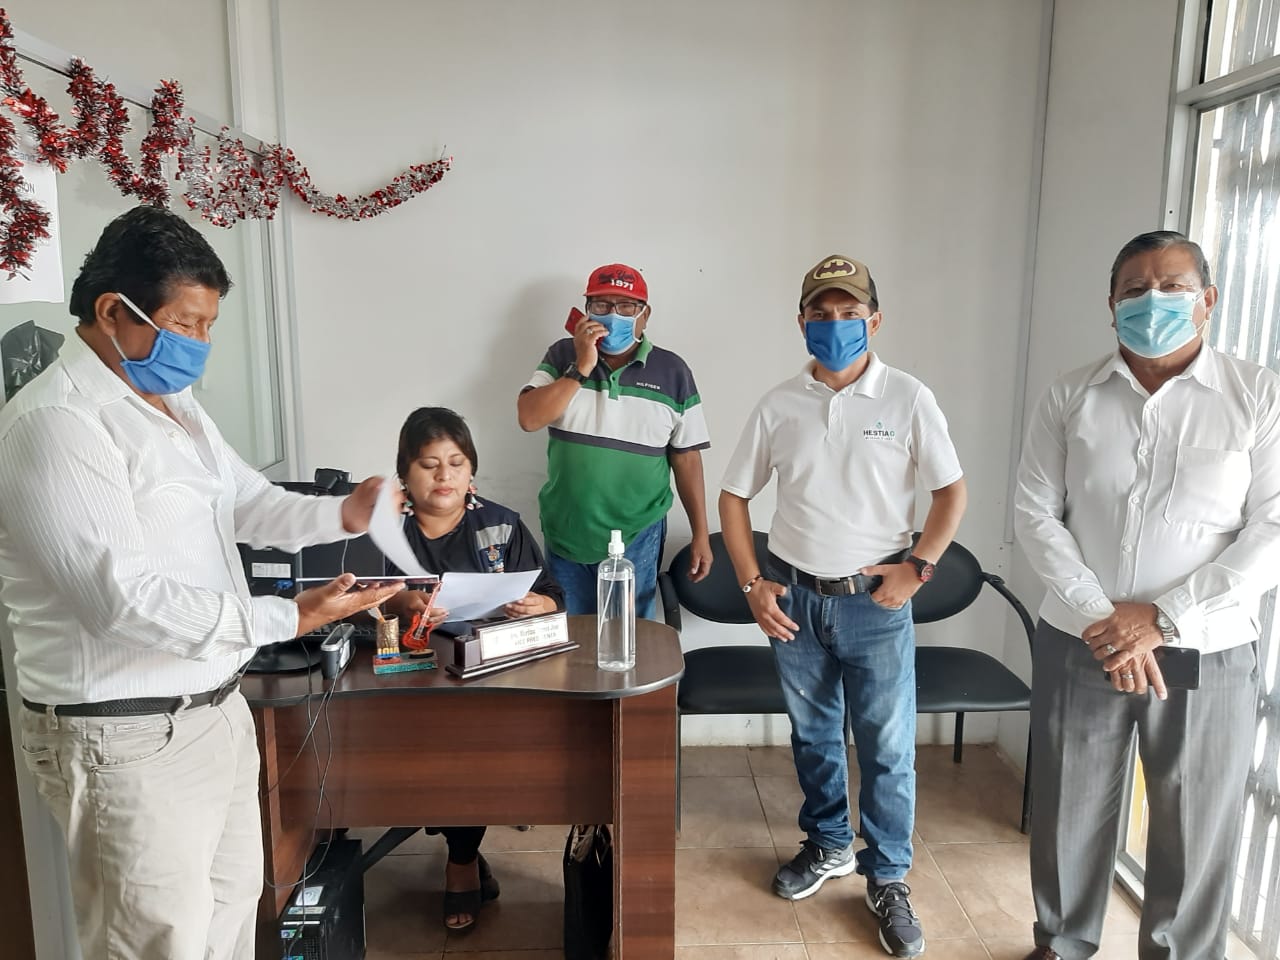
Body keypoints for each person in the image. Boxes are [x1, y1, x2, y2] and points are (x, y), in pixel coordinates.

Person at [0, 205, 403, 960]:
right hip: (124, 737)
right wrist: (286, 618)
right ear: (113, 312)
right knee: (158, 944)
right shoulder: (56, 424)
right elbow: (120, 602)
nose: (201, 344)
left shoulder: (170, 403)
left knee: (227, 922)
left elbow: (243, 501)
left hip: (214, 710)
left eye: (209, 325)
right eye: (185, 324)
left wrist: (343, 513)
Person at [1014, 230, 1280, 960]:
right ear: (1111, 305)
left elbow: (1272, 527)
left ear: (1208, 300)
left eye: (1172, 287)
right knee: (1068, 808)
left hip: (1205, 647)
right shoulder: (1071, 394)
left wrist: (1164, 618)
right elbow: (1035, 513)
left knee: (1194, 818)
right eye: (1135, 290)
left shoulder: (1257, 395)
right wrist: (1107, 620)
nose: (1152, 301)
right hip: (1081, 640)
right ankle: (1062, 944)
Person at [720, 254, 967, 959]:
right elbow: (733, 497)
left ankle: (887, 878)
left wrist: (919, 568)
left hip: (875, 605)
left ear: (875, 321)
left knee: (887, 748)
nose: (835, 326)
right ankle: (828, 842)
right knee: (814, 736)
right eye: (821, 315)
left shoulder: (908, 397)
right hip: (795, 600)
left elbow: (951, 492)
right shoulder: (779, 404)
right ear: (801, 323)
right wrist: (752, 583)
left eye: (849, 314)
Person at [383, 406, 564, 932]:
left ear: (471, 472)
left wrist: (540, 605)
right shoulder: (384, 530)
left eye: (456, 463)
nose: (444, 476)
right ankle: (459, 842)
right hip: (405, 674)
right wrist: (400, 602)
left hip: (488, 671)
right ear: (405, 474)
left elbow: (552, 592)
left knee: (467, 749)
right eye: (429, 464)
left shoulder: (500, 525)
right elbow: (350, 597)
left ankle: (461, 859)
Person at [517, 263, 712, 617]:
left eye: (626, 307)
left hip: (639, 531)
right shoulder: (561, 356)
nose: (612, 315)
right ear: (586, 310)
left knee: (630, 635)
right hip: (567, 530)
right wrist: (581, 365)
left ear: (644, 316)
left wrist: (701, 533)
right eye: (601, 305)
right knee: (568, 633)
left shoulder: (673, 371)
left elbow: (687, 458)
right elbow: (529, 418)